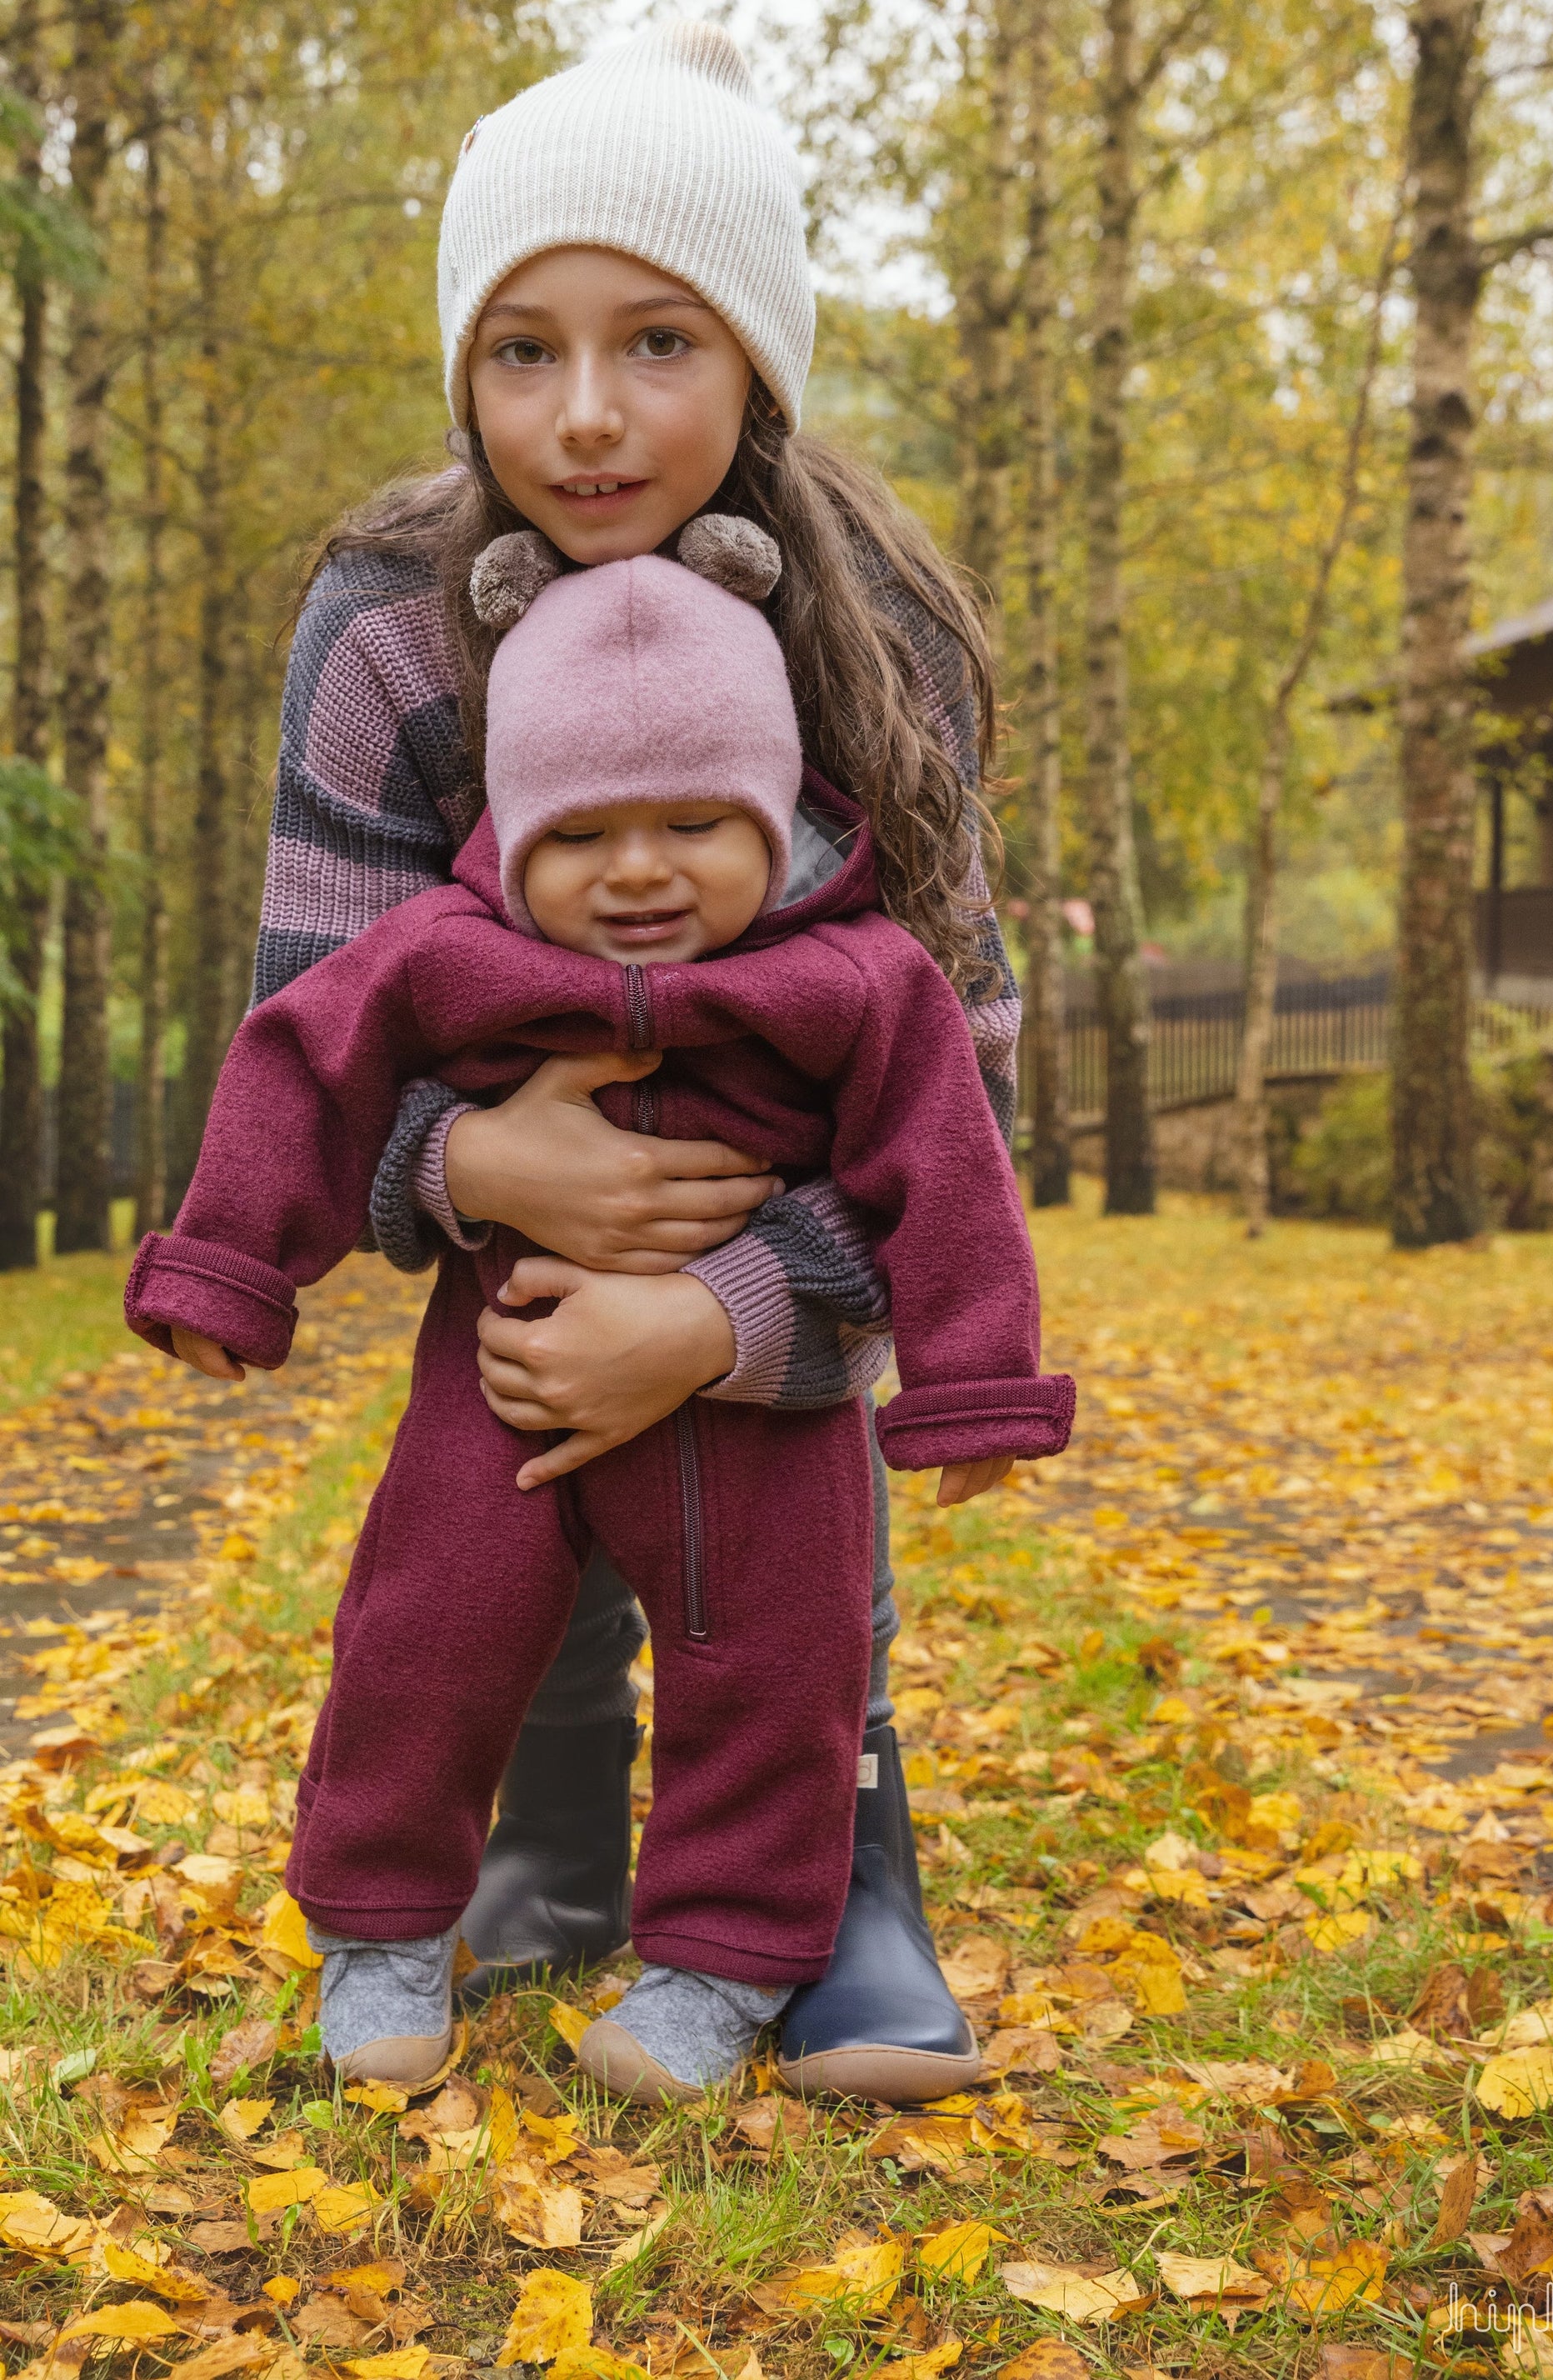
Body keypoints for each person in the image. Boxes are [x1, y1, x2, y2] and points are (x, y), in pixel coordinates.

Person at [237, 19, 1026, 2103]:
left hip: (783, 1216)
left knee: (770, 1493)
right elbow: (312, 1012)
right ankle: (554, 1832)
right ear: (465, 369)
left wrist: (737, 1310)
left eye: (658, 341)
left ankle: (844, 1871)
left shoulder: (885, 630)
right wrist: (482, 1171)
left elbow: (971, 1062)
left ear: (756, 357)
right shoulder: (391, 623)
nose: (586, 416)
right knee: (484, 1476)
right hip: (510, 1221)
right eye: (522, 350)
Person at [127, 540, 1073, 2102]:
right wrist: (230, 1264)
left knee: (780, 1659)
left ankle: (719, 1966)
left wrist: (976, 1388)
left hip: (767, 1405)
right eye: (583, 834)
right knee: (421, 1628)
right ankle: (380, 1928)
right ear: (509, 836)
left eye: (696, 826)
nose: (639, 870)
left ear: (774, 820)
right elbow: (303, 1063)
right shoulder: (446, 956)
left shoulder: (864, 980)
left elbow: (951, 1171)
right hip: (505, 1373)